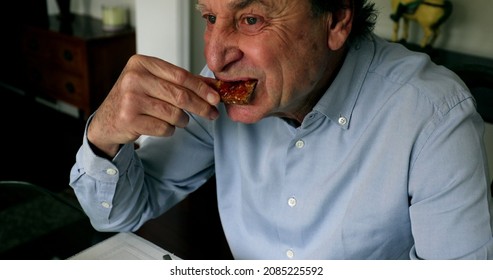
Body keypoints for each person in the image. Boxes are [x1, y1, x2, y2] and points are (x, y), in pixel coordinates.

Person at [69, 0, 493, 259]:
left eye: (250, 19)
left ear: (336, 20)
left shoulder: (434, 116)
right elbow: (120, 212)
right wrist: (105, 134)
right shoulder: (222, 90)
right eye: (210, 16)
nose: (216, 56)